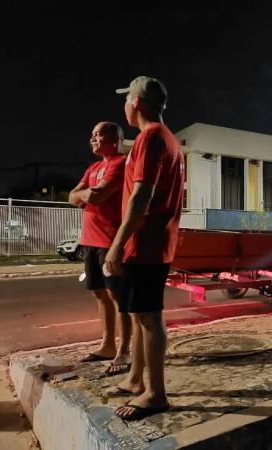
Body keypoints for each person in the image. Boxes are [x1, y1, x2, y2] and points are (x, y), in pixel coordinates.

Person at [104, 76, 184, 421]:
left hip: (146, 243)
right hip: (154, 241)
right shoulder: (167, 140)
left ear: (136, 102)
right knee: (138, 313)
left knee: (149, 317)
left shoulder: (150, 139)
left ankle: (156, 393)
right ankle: (137, 379)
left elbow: (142, 195)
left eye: (126, 99)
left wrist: (117, 243)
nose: (123, 105)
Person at [69, 122, 132, 376]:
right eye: (92, 134)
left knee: (118, 297)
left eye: (98, 134)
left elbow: (96, 197)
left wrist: (84, 195)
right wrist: (84, 194)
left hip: (110, 241)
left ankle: (124, 351)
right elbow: (71, 196)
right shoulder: (94, 167)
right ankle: (107, 345)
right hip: (90, 241)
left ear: (115, 139)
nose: (92, 138)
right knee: (99, 293)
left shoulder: (120, 164)